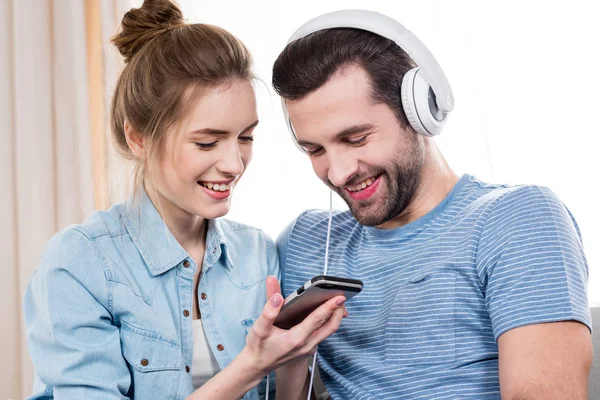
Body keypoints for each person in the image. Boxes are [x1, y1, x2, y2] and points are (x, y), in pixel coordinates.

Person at [22, 1, 346, 399]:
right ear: (137, 137)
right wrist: (252, 365)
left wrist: (296, 353)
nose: (233, 164)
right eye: (207, 142)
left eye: (245, 137)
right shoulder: (80, 264)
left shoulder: (257, 254)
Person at [272, 10, 593, 399]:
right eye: (314, 149)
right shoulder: (307, 242)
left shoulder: (517, 218)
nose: (337, 173)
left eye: (356, 139)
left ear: (420, 110)